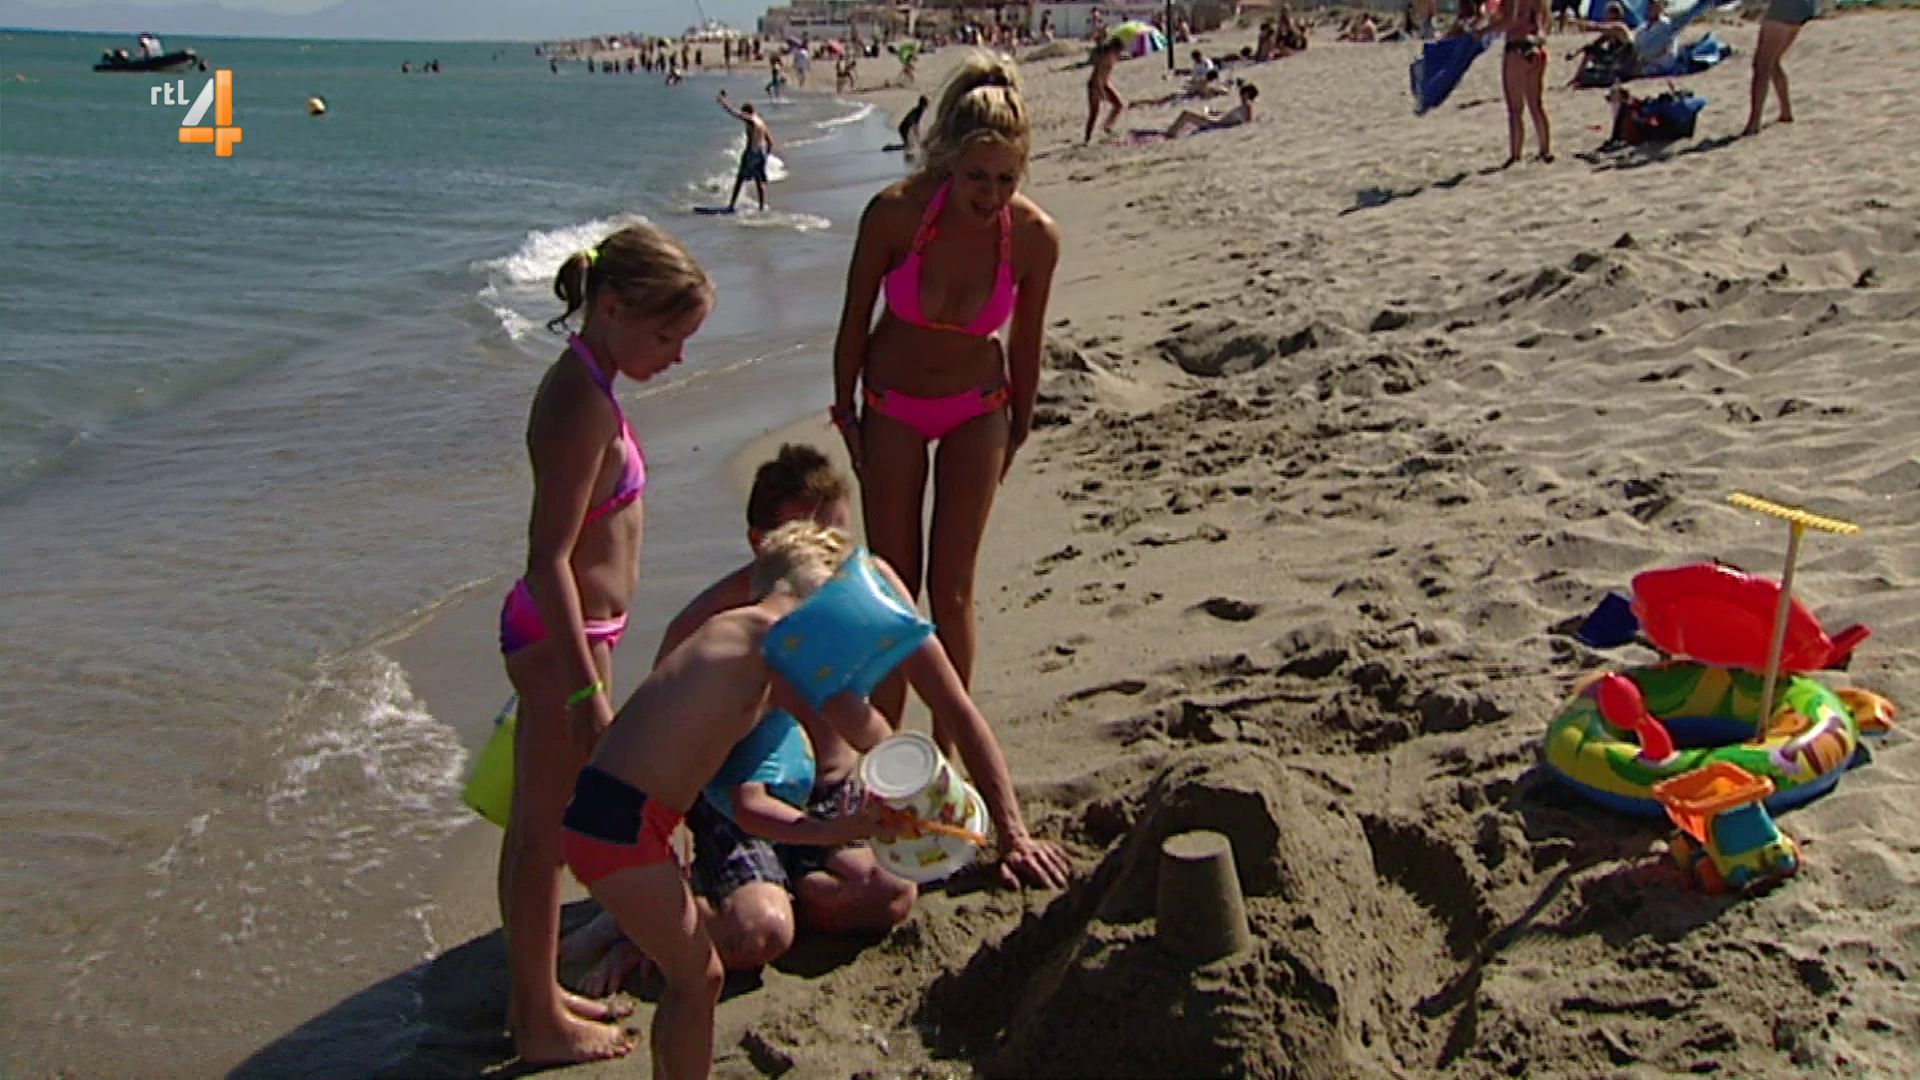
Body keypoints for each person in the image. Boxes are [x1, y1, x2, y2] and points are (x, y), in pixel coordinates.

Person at [562, 446, 1071, 994]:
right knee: (759, 934)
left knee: (890, 896)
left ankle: (783, 888)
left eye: (839, 542)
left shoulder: (869, 590)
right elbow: (661, 768)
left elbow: (955, 708)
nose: (836, 570)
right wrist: (663, 879)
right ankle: (654, 928)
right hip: (740, 806)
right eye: (813, 540)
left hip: (831, 794)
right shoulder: (707, 626)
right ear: (762, 543)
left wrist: (1013, 834)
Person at [559, 523, 895, 1079]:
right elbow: (855, 718)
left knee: (697, 978)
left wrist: (831, 829)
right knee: (699, 979)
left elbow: (747, 804)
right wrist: (917, 779)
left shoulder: (738, 640)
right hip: (619, 823)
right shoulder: (770, 635)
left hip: (617, 816)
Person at [497, 224, 713, 1066]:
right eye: (668, 336)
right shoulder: (577, 404)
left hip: (574, 640)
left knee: (537, 829)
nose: (677, 355)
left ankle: (537, 994)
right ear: (613, 308)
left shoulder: (590, 382)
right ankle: (537, 1022)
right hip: (564, 646)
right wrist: (586, 690)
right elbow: (548, 558)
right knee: (544, 837)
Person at [831, 55, 1061, 757]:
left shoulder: (1034, 236)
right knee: (893, 586)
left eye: (1006, 179)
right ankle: (885, 754)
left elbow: (1027, 341)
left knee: (952, 588)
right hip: (892, 405)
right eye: (976, 177)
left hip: (978, 408)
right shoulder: (896, 215)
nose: (991, 195)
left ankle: (948, 759)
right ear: (947, 162)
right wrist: (845, 412)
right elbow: (853, 320)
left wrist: (1019, 426)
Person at [1745, 0, 1814, 136]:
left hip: (1785, 9)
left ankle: (1754, 121)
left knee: (1762, 65)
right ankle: (1785, 111)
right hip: (1802, 7)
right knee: (1772, 61)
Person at [1498, 0, 1554, 165]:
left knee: (1515, 109)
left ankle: (1516, 154)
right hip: (1537, 47)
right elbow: (1547, 23)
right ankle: (1545, 149)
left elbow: (1510, 19)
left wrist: (1483, 31)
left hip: (1517, 48)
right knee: (1536, 105)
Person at [718, 91, 775, 212]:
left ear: (747, 112)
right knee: (758, 181)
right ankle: (761, 207)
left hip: (751, 153)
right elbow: (770, 142)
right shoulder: (761, 122)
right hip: (761, 152)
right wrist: (765, 157)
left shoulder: (751, 120)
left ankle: (731, 206)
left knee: (740, 178)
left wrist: (723, 102)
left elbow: (734, 113)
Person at [1163, 82, 1259, 138]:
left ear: (1246, 94)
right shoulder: (1243, 106)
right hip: (1217, 121)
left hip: (1215, 124)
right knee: (1191, 114)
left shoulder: (1247, 106)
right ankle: (1172, 132)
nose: (1241, 96)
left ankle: (1170, 134)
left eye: (1242, 94)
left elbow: (1247, 122)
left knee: (1186, 114)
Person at [1085, 37, 1125, 143]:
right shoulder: (1105, 58)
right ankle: (1087, 138)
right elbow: (1098, 77)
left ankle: (1107, 126)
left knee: (1119, 105)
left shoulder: (1111, 57)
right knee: (1094, 112)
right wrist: (1101, 91)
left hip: (1104, 84)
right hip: (1095, 85)